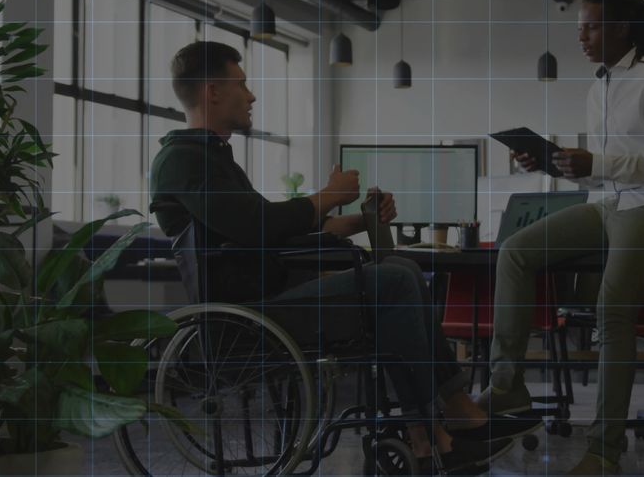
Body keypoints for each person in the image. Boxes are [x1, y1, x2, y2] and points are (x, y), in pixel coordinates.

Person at [149, 41, 533, 473]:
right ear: (212, 91)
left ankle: (433, 433)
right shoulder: (182, 160)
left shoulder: (208, 158)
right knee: (395, 279)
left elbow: (265, 232)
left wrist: (356, 220)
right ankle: (447, 422)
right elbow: (259, 226)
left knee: (399, 272)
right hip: (248, 316)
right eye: (242, 84)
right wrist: (326, 197)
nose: (251, 95)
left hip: (270, 301)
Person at [480, 0, 644, 475]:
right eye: (580, 28)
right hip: (609, 203)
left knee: (611, 308)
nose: (581, 37)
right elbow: (601, 170)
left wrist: (595, 161)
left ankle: (605, 451)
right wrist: (549, 163)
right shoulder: (598, 86)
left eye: (591, 27)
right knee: (515, 251)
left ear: (622, 28)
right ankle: (507, 386)